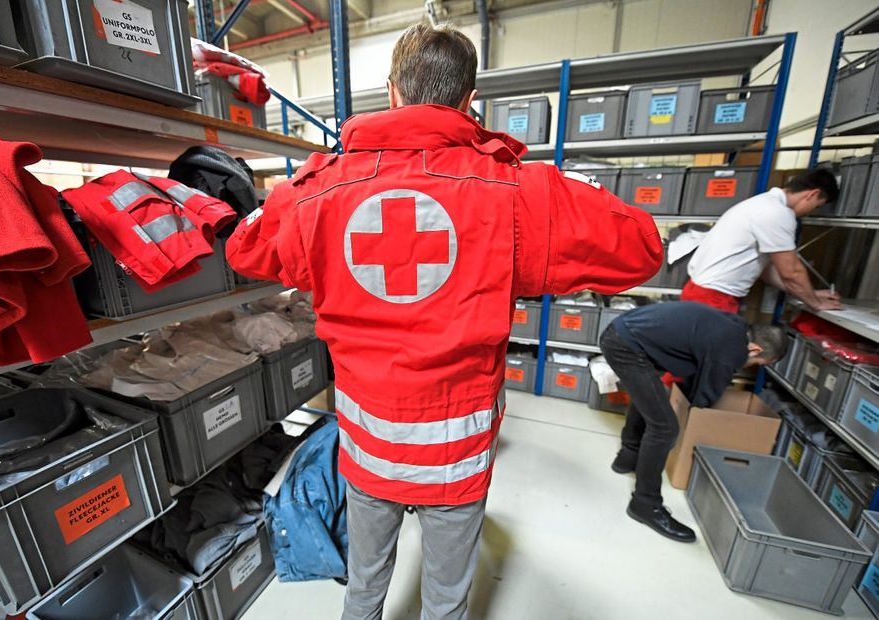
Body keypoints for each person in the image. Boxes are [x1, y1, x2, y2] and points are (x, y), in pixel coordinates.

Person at [226, 22, 662, 620]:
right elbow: (641, 247)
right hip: (456, 453)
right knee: (447, 598)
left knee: (364, 584)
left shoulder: (316, 191)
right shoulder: (518, 191)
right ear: (468, 101)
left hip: (368, 445)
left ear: (392, 93)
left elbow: (245, 249)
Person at [599, 302, 786, 543]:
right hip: (625, 345)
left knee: (652, 398)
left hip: (625, 332)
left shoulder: (734, 327)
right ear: (755, 349)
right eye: (757, 363)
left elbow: (698, 373)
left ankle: (628, 456)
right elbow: (704, 397)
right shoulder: (733, 349)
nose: (749, 367)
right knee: (665, 427)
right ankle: (645, 504)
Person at [683, 168, 842, 313]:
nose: (810, 212)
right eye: (816, 206)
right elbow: (791, 272)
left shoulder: (760, 204)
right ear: (812, 194)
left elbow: (769, 272)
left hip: (699, 292)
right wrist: (816, 303)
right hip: (713, 299)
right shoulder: (777, 213)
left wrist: (811, 294)